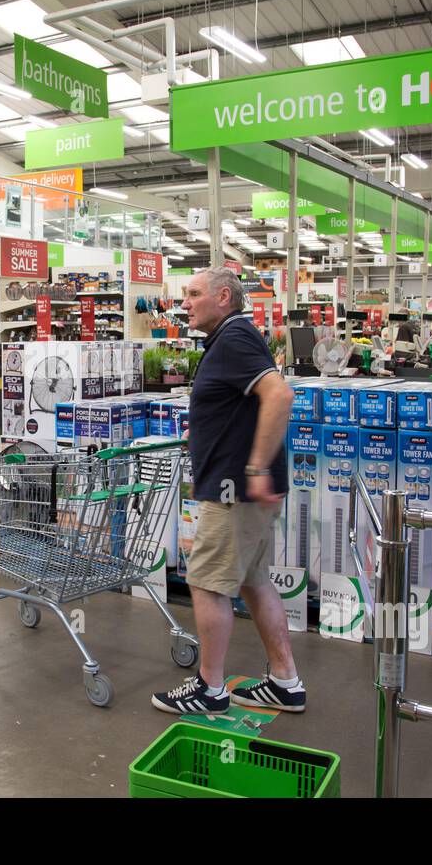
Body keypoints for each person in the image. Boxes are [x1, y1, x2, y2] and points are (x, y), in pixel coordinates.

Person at [151, 267, 304, 715]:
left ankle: (209, 688)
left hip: (234, 488)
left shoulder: (235, 338)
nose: (184, 303)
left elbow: (279, 396)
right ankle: (285, 681)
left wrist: (255, 467)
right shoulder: (232, 338)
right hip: (243, 485)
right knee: (255, 581)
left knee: (205, 582)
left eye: (193, 294)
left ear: (223, 296)